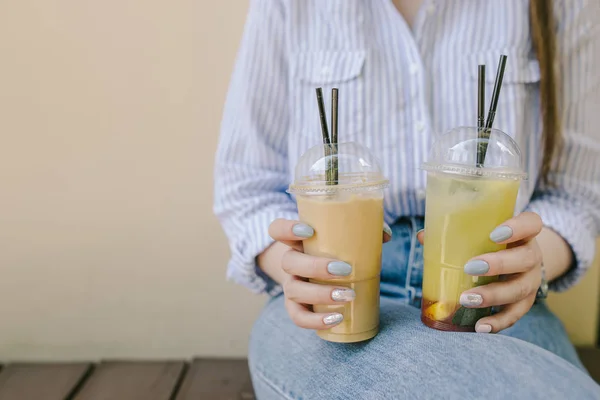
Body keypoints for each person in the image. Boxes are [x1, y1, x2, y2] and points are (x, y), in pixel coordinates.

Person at [214, 0, 600, 398]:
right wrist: (296, 267)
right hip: (330, 298)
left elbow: (578, 197)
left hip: (492, 295)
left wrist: (529, 265)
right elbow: (247, 188)